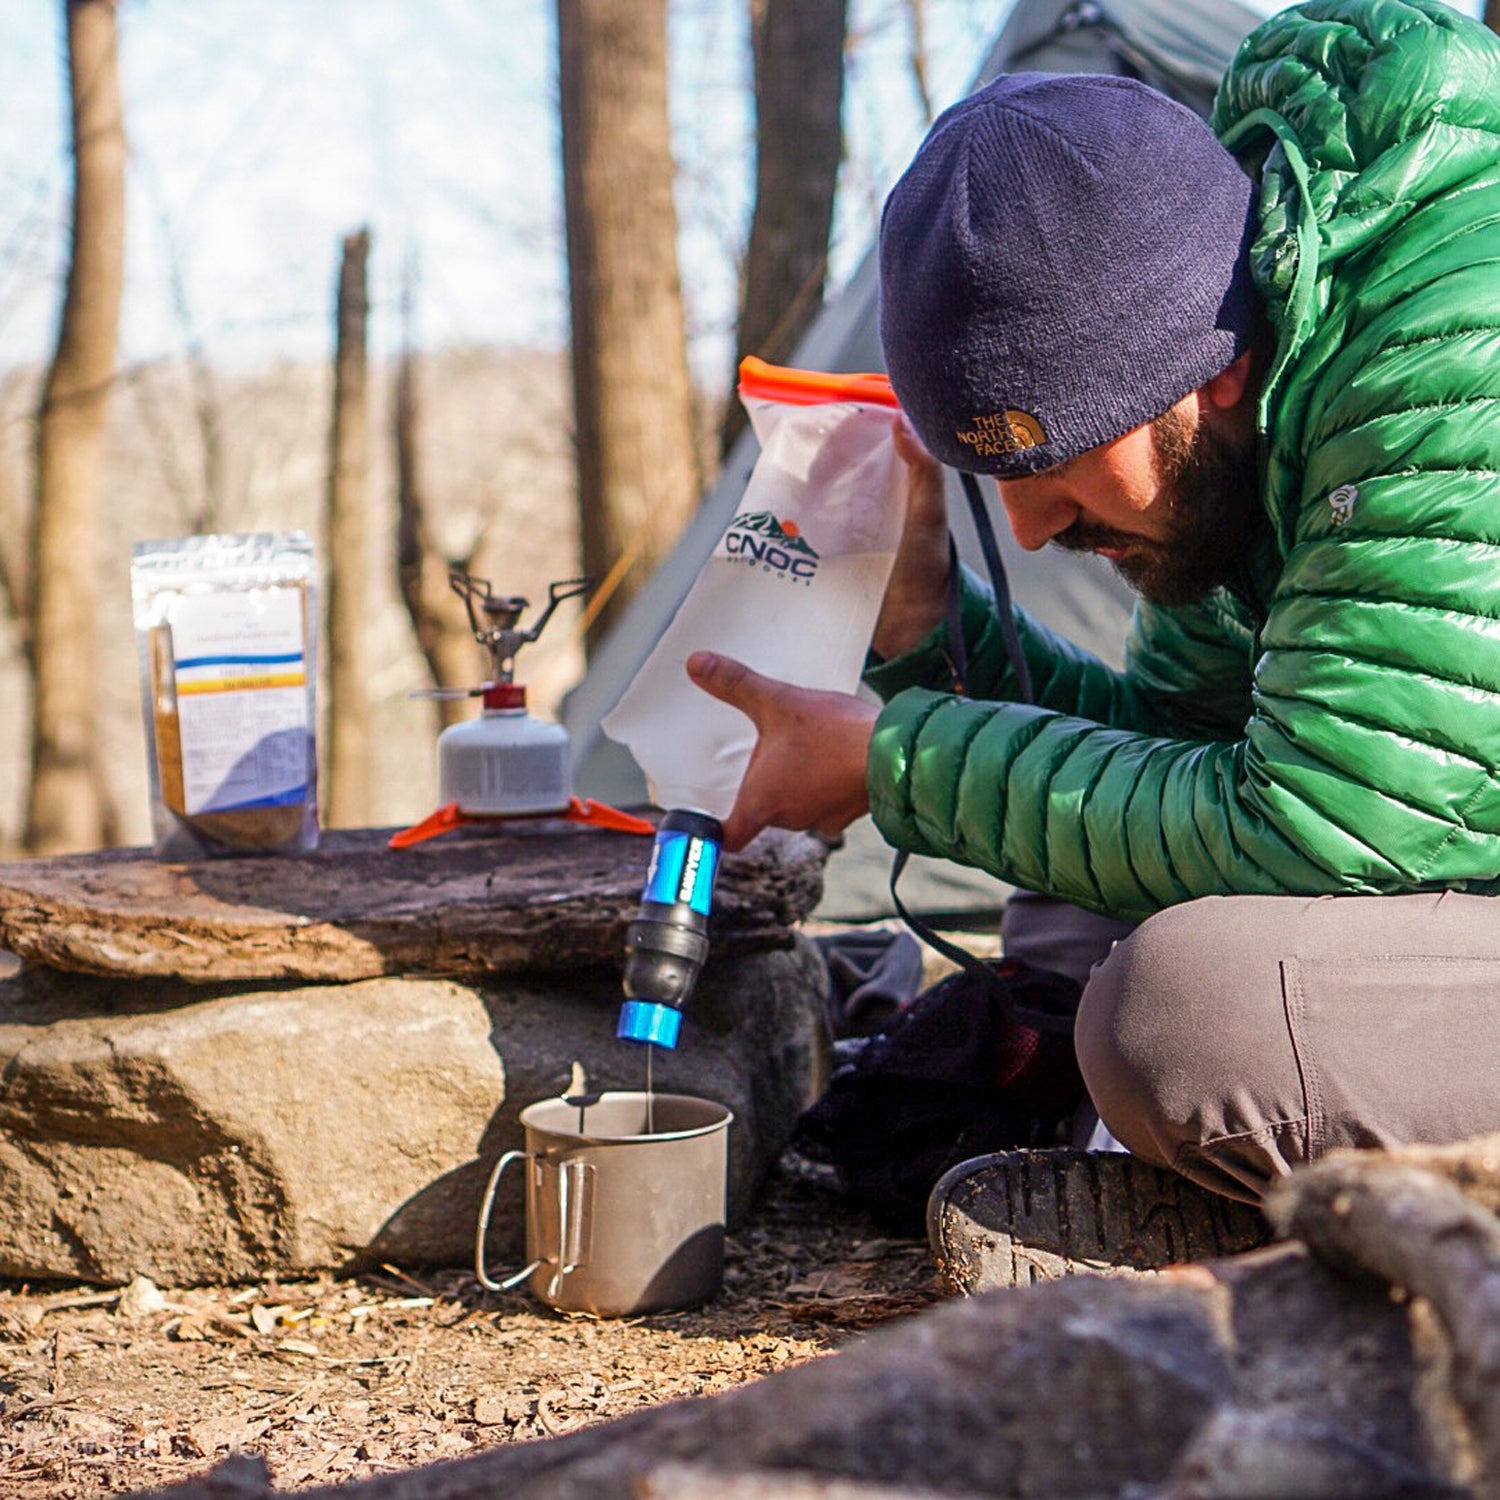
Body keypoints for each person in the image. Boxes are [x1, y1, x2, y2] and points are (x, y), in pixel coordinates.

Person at [684, 0, 1500, 1229]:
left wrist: (893, 763)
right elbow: (1172, 755)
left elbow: (1321, 827)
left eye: (1058, 460)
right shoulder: (1257, 368)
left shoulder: (1445, 349)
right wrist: (926, 630)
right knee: (1072, 904)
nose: (1030, 527)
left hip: (1384, 845)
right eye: (996, 482)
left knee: (1182, 1017)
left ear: (1212, 364)